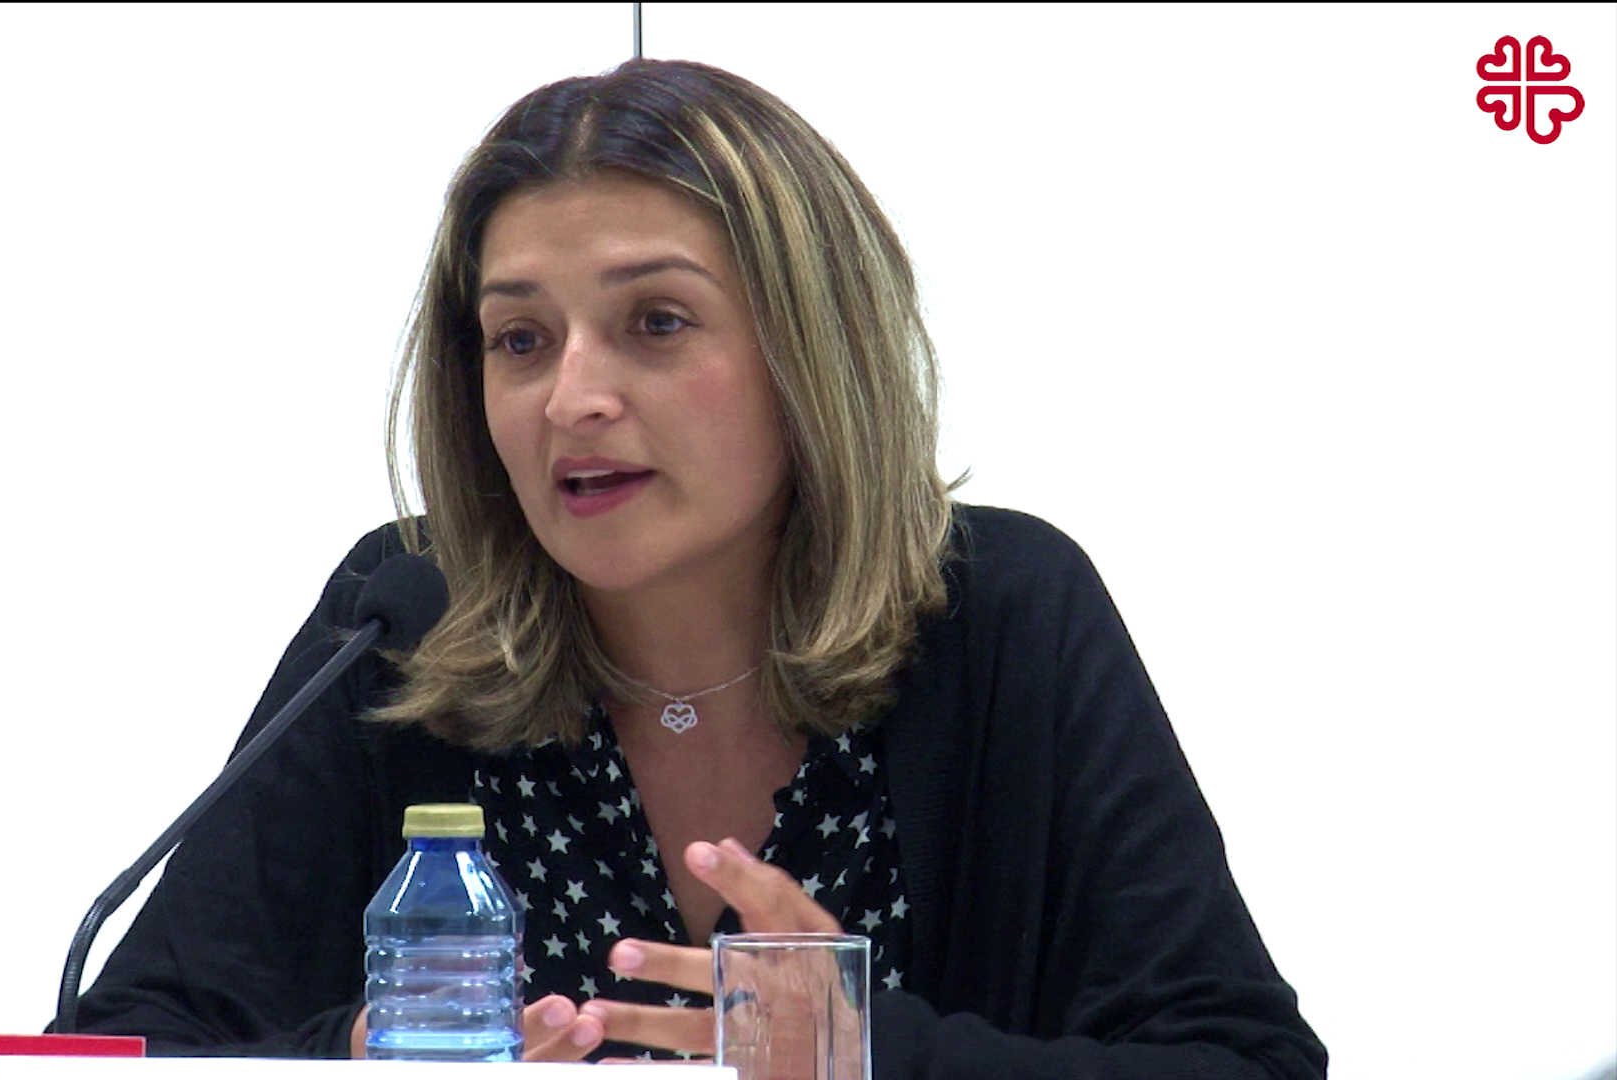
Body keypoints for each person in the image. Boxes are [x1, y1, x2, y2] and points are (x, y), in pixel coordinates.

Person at [66, 58, 1328, 1079]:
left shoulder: (999, 616)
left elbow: (1243, 1064)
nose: (572, 397)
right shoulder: (405, 624)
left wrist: (875, 1060)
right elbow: (118, 1053)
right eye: (520, 339)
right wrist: (365, 1062)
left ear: (808, 354)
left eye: (656, 323)